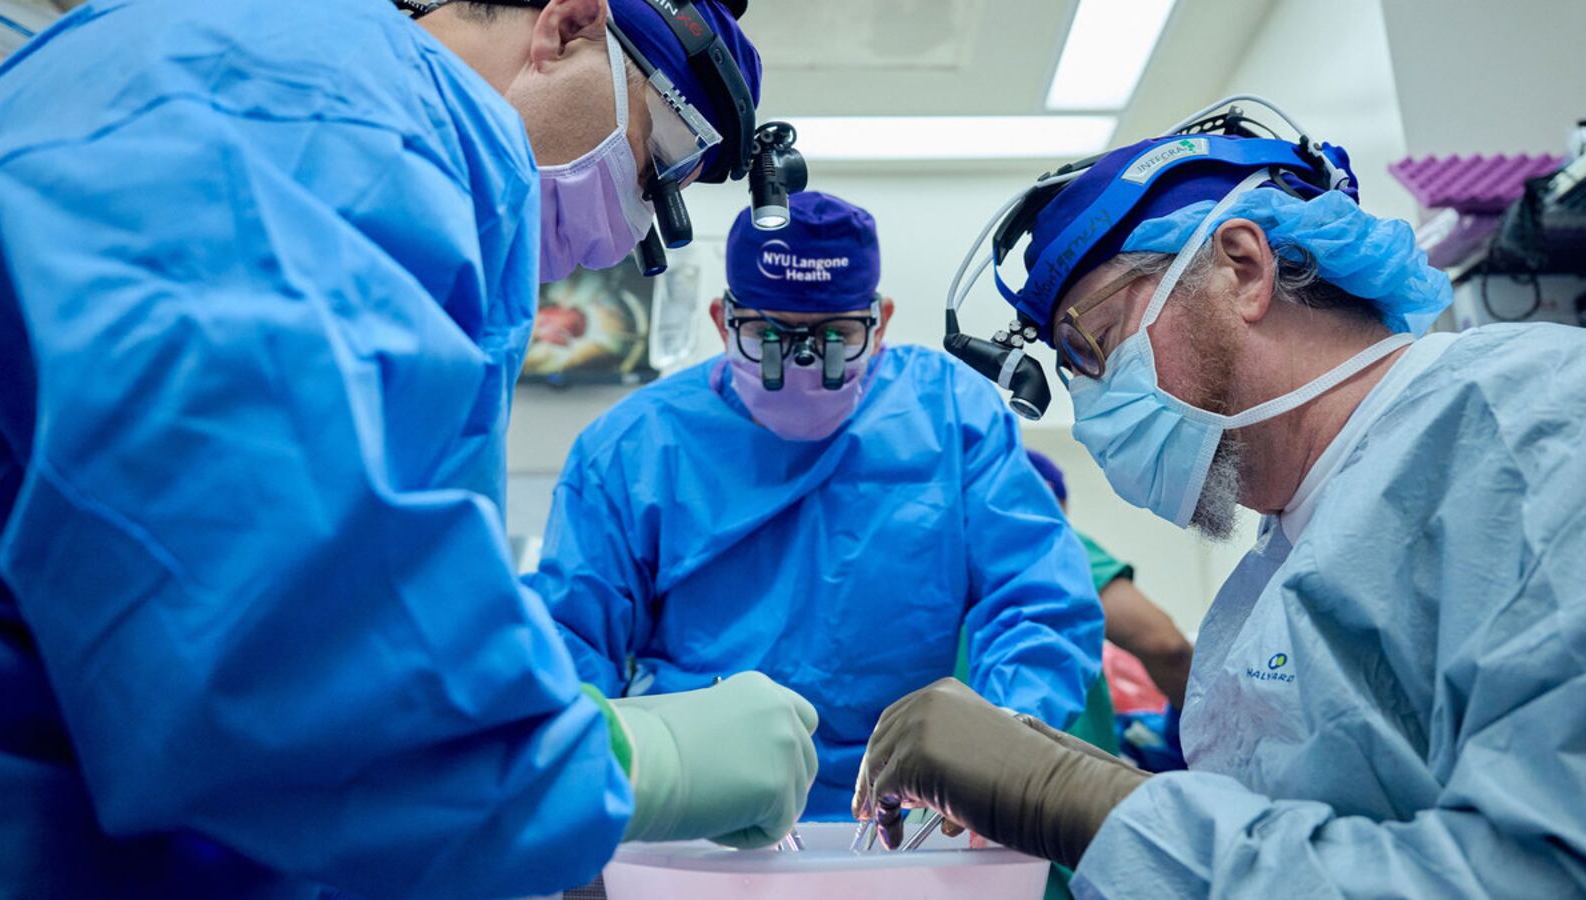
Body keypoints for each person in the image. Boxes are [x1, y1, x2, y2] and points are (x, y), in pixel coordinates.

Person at [0, 1, 820, 897]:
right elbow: (288, 671)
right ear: (570, 25)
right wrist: (629, 757)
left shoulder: (309, 109)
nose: (623, 234)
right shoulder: (319, 122)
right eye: (653, 166)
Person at [854, 98, 1586, 897]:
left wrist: (1082, 803)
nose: (1092, 415)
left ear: (1241, 268)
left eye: (1093, 349)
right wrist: (1080, 776)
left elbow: (1535, 874)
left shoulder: (1535, 425)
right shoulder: (1282, 568)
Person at [527, 191, 1105, 820]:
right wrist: (614, 785)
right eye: (768, 339)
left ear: (880, 325)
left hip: (902, 806)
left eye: (835, 340)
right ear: (722, 323)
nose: (801, 368)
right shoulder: (632, 447)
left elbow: (1037, 599)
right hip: (701, 802)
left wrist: (1000, 748)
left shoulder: (949, 414)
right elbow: (574, 640)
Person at [1024, 450, 1192, 710]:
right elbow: (1166, 647)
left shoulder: (952, 554)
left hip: (954, 744)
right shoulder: (1052, 544)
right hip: (1044, 746)